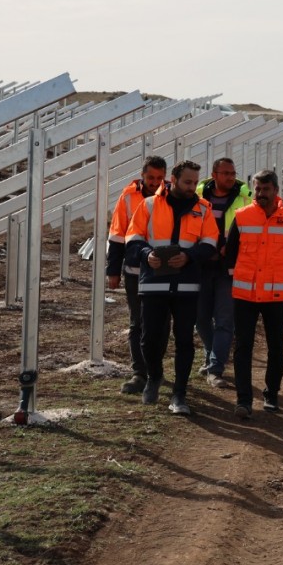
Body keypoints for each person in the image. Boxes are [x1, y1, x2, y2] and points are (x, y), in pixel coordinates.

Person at [124, 159, 219, 415]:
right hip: (154, 282)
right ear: (174, 180)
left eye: (195, 183)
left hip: (187, 285)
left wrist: (190, 256)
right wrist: (146, 255)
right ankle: (154, 375)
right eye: (187, 182)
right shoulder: (149, 205)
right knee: (149, 338)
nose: (192, 187)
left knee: (185, 340)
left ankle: (179, 393)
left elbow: (211, 241)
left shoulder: (203, 208)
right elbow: (133, 238)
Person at [225, 169, 283, 418]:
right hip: (245, 295)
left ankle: (271, 394)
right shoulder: (242, 216)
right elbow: (230, 253)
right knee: (243, 347)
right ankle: (244, 400)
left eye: (266, 189)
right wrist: (240, 275)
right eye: (257, 189)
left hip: (276, 296)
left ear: (276, 190)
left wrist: (282, 275)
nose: (261, 194)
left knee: (276, 347)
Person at [106, 155, 167, 395]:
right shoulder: (128, 197)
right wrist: (113, 270)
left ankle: (155, 368)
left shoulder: (169, 196)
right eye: (151, 177)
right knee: (137, 322)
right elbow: (117, 234)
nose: (155, 182)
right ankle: (139, 372)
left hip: (162, 271)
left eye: (159, 178)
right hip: (134, 271)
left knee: (162, 323)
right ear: (143, 176)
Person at [195, 158, 251, 388]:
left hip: (229, 267)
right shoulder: (198, 196)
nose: (231, 177)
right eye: (226, 173)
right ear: (214, 174)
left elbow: (251, 230)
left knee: (225, 320)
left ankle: (215, 368)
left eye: (233, 173)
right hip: (202, 264)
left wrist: (233, 249)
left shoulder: (245, 197)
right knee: (200, 318)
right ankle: (211, 355)